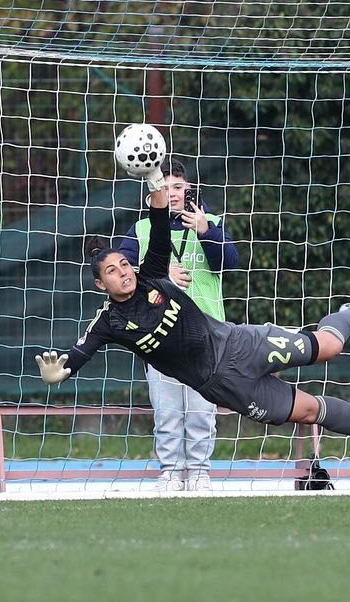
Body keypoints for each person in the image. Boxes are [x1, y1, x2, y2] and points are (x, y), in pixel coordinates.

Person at [35, 172, 350, 480]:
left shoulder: (152, 274)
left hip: (241, 344)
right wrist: (61, 371)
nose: (123, 272)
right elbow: (79, 353)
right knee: (309, 412)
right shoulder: (109, 321)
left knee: (328, 347)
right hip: (224, 385)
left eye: (124, 264)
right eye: (113, 270)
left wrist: (155, 180)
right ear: (100, 284)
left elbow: (158, 224)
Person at [118, 157, 238, 492]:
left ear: (188, 189)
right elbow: (120, 274)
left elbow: (229, 262)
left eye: (178, 186)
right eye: (165, 186)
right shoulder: (142, 229)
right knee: (168, 413)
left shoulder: (210, 222)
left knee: (202, 412)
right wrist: (156, 274)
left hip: (207, 336)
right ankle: (170, 471)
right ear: (153, 192)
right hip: (160, 335)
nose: (172, 193)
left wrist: (205, 229)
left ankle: (200, 472)